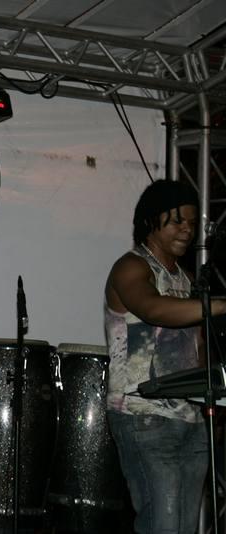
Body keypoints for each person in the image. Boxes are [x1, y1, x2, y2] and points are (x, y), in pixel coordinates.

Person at [105, 178, 226, 534]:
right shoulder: (131, 267)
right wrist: (220, 305)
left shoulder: (186, 279)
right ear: (150, 221)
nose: (187, 229)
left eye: (191, 222)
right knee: (164, 524)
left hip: (191, 418)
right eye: (176, 221)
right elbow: (153, 309)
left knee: (184, 527)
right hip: (144, 414)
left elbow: (199, 348)